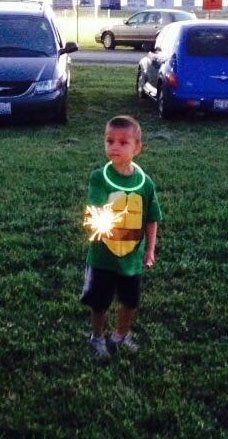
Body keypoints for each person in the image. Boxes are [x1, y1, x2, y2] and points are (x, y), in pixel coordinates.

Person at [81, 115, 162, 357]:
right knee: (100, 302)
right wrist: (98, 224)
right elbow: (93, 212)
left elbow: (151, 218)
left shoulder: (145, 184)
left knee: (129, 301)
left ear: (137, 148)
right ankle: (97, 338)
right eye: (109, 140)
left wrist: (149, 250)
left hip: (132, 258)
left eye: (123, 142)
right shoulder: (99, 177)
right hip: (103, 256)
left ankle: (119, 336)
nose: (114, 146)